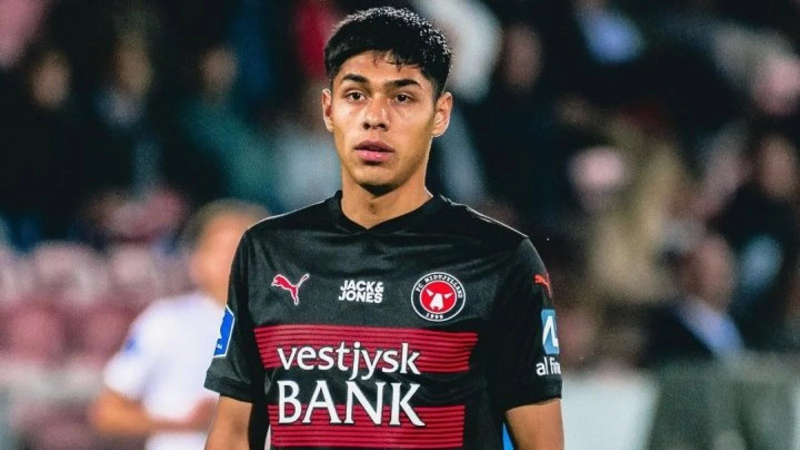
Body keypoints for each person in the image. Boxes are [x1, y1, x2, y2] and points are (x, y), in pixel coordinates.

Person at [204, 7, 564, 450]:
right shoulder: (267, 251)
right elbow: (232, 433)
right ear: (328, 109)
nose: (375, 116)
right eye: (356, 95)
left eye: (402, 98)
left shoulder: (499, 260)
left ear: (441, 114)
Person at [89, 199, 267, 450]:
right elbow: (107, 413)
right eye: (219, 248)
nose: (230, 258)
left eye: (242, 247)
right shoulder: (165, 321)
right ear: (196, 260)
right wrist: (184, 423)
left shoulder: (294, 327)